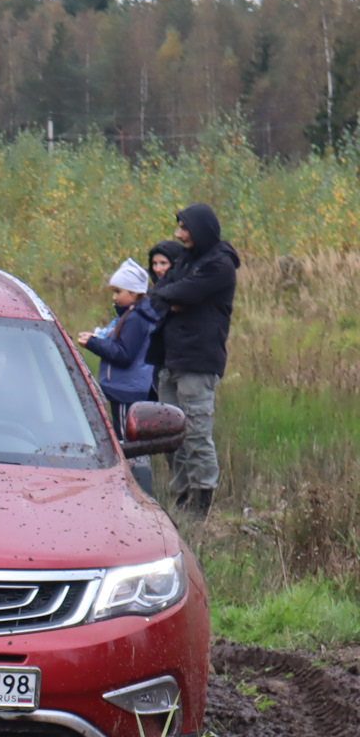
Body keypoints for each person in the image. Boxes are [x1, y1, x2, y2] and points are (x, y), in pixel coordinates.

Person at [147, 204, 239, 518]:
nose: (178, 235)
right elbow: (157, 294)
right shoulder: (186, 259)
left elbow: (184, 293)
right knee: (169, 435)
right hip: (170, 359)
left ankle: (201, 504)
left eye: (184, 229)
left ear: (199, 229)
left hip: (199, 361)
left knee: (196, 431)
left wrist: (175, 298)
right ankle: (182, 498)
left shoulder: (220, 264)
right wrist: (171, 300)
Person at [77, 258, 160, 495]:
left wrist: (93, 344)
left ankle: (135, 490)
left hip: (128, 391)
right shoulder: (130, 315)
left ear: (134, 293)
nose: (114, 296)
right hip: (123, 389)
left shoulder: (136, 319)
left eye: (118, 291)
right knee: (125, 441)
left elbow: (124, 355)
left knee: (127, 444)